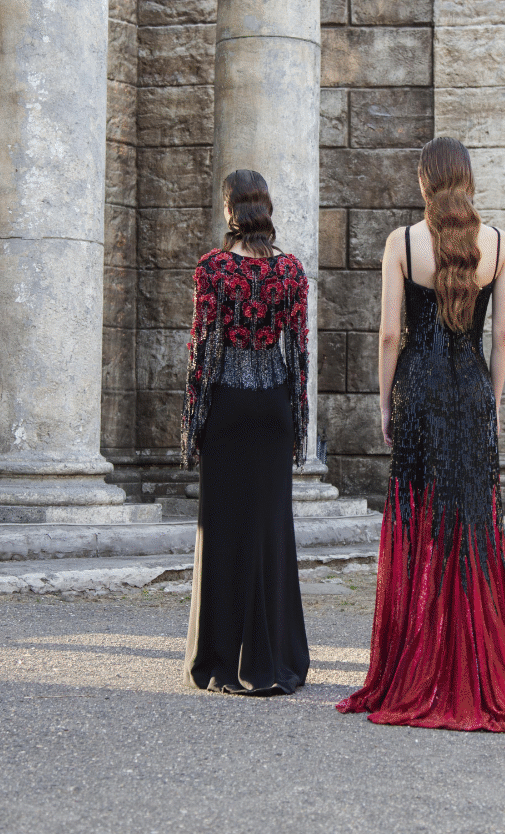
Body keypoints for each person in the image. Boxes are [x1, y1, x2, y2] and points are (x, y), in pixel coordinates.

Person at [337, 137, 505, 733]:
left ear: (424, 182)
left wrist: (384, 401)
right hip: (471, 391)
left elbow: (388, 335)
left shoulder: (402, 243)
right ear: (468, 179)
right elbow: (502, 338)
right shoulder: (498, 245)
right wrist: (491, 402)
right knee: (471, 524)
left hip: (418, 393)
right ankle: (473, 672)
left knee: (419, 524)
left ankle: (416, 668)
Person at [180, 169, 311, 695]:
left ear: (231, 209)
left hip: (228, 408)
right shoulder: (291, 271)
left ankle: (219, 656)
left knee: (223, 530)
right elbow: (298, 354)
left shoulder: (212, 268)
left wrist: (193, 420)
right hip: (273, 409)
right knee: (270, 532)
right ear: (267, 209)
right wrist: (298, 421)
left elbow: (202, 348)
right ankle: (275, 656)